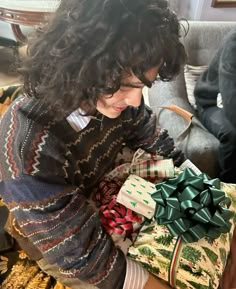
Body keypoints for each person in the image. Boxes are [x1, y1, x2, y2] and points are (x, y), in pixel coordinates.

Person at [0, 0, 187, 288]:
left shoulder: (113, 95)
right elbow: (86, 259)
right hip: (63, 244)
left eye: (143, 87)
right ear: (78, 64)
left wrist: (203, 187)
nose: (137, 102)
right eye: (126, 86)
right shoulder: (27, 151)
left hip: (109, 194)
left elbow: (153, 138)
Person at [194, 29, 236, 183]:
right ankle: (229, 188)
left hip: (228, 102)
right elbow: (231, 102)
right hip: (212, 102)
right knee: (232, 134)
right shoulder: (234, 43)